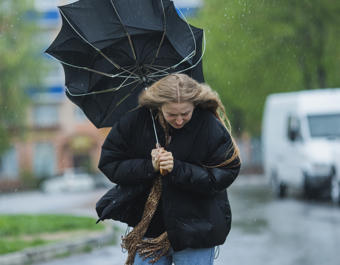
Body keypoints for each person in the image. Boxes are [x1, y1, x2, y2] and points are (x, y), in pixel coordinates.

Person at [98, 73, 241, 265]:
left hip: (196, 230)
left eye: (185, 114)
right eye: (172, 114)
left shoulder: (208, 125)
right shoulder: (135, 121)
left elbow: (225, 172)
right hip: (149, 230)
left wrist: (178, 168)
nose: (179, 120)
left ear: (195, 105)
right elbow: (110, 163)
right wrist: (150, 166)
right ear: (159, 106)